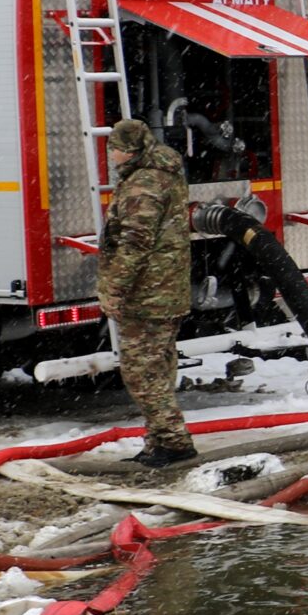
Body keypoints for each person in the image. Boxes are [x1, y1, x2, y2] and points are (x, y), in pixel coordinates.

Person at [98, 118, 196, 467]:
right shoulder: (160, 172)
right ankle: (158, 441)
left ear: (129, 151)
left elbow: (135, 244)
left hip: (149, 294)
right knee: (159, 367)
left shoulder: (143, 184)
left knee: (140, 372)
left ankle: (173, 441)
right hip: (166, 290)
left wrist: (114, 290)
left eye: (114, 149)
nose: (111, 155)